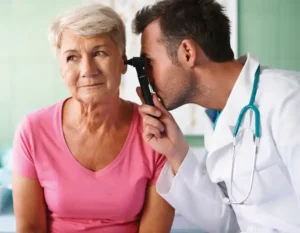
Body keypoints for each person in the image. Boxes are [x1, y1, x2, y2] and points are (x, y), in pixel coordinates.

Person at [131, 0, 300, 232]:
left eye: (149, 63)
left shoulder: (289, 100)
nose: (147, 77)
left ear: (188, 53)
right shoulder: (218, 117)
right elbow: (228, 223)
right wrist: (176, 152)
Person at [12, 4, 174, 233]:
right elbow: (29, 227)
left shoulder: (155, 134)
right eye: (72, 57)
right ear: (61, 69)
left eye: (99, 53)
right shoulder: (32, 131)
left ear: (122, 61)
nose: (87, 69)